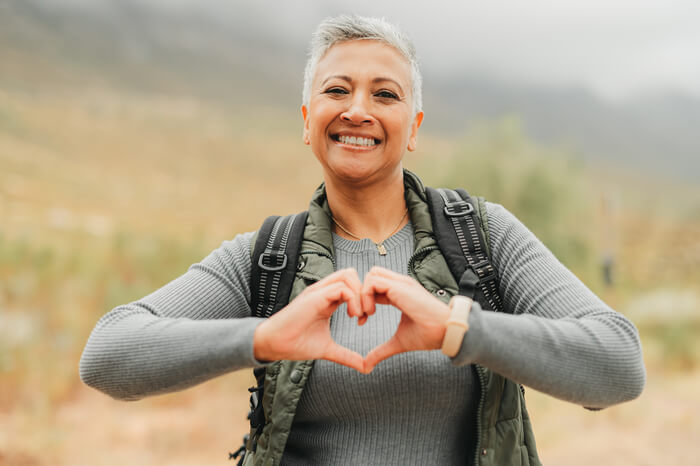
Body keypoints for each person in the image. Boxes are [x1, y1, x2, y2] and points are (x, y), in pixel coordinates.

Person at [79, 15, 646, 466]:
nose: (357, 110)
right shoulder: (268, 256)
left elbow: (617, 365)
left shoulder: (483, 235)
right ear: (307, 120)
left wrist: (460, 329)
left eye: (385, 95)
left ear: (415, 126)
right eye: (337, 89)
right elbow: (107, 354)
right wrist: (265, 335)